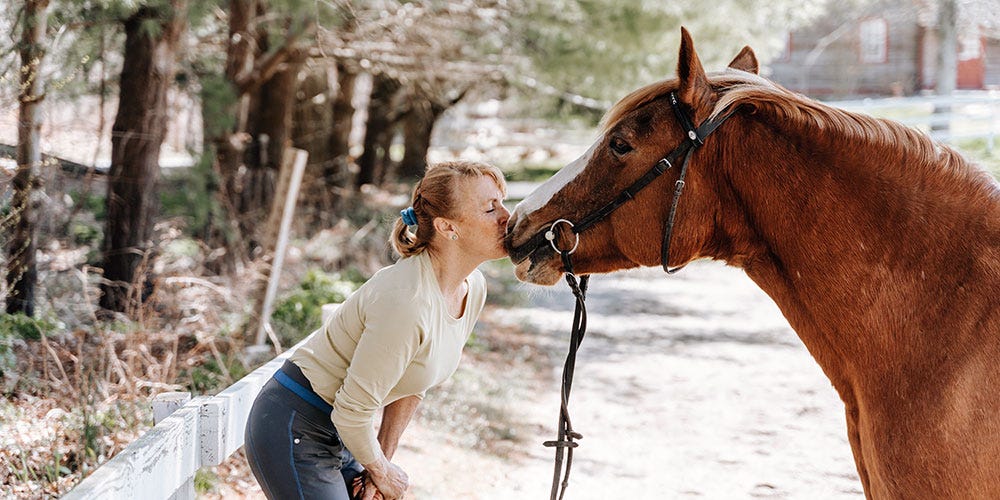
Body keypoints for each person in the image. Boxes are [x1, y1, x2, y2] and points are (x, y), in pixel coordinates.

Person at [244, 161, 510, 500]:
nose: (507, 216)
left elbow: (414, 383)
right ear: (447, 227)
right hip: (297, 425)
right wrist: (384, 473)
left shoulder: (472, 287)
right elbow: (352, 410)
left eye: (502, 202)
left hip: (346, 433)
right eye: (491, 208)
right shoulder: (407, 301)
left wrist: (379, 468)